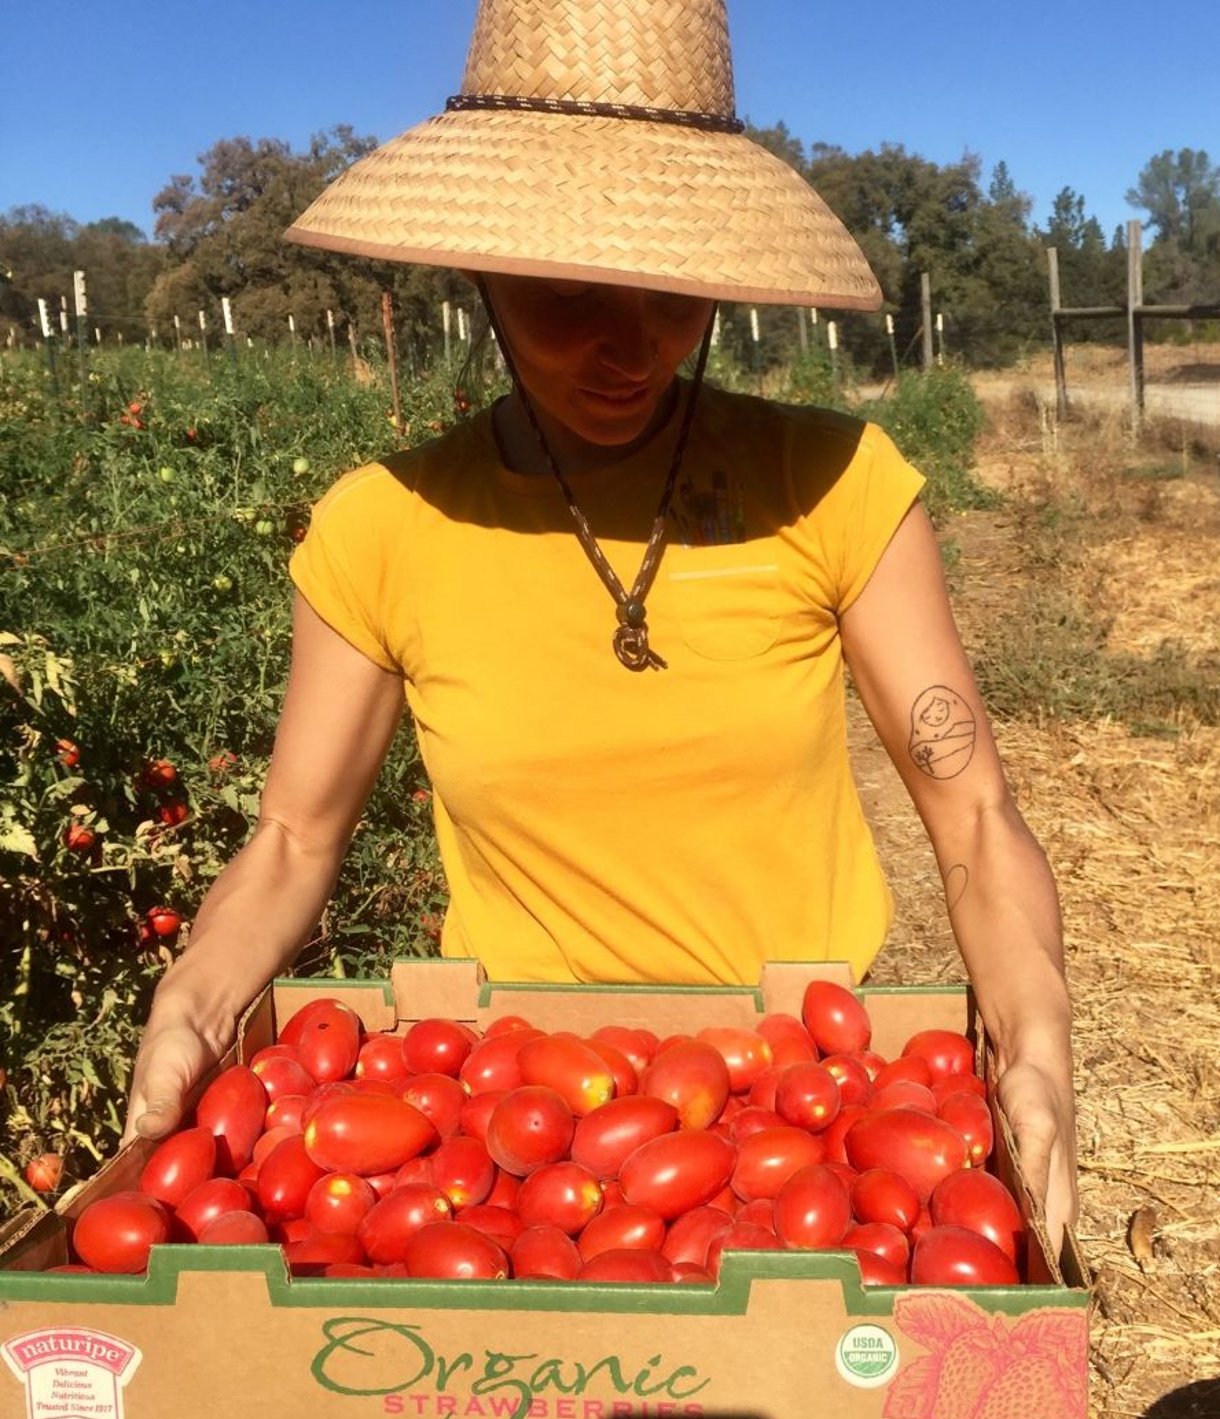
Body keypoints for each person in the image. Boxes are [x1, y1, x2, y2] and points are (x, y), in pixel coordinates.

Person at [122, 0, 1078, 1255]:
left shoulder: (835, 483)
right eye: (572, 293)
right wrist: (196, 1000)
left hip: (794, 1101)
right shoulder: (383, 529)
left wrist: (1037, 1034)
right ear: (483, 272)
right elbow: (295, 838)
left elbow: (971, 812)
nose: (631, 346)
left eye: (672, 293)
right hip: (507, 1116)